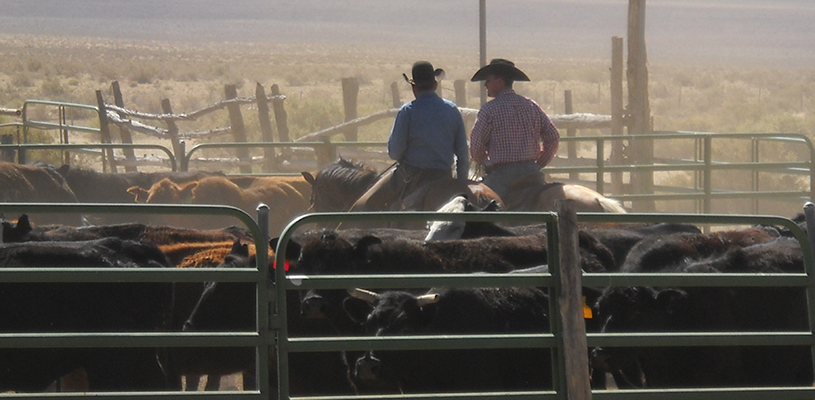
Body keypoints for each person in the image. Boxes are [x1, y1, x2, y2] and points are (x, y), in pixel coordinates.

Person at [349, 61, 469, 211]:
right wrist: (460, 183)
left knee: (366, 204)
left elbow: (395, 152)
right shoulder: (452, 110)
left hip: (410, 176)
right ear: (435, 85)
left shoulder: (408, 111)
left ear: (414, 87)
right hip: (443, 176)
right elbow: (463, 155)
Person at [469, 58, 560, 198]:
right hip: (531, 172)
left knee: (478, 204)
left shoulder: (489, 110)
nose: (485, 84)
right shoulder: (531, 106)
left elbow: (476, 145)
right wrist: (539, 163)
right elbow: (553, 136)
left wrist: (483, 161)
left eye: (488, 80)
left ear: (500, 81)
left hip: (503, 176)